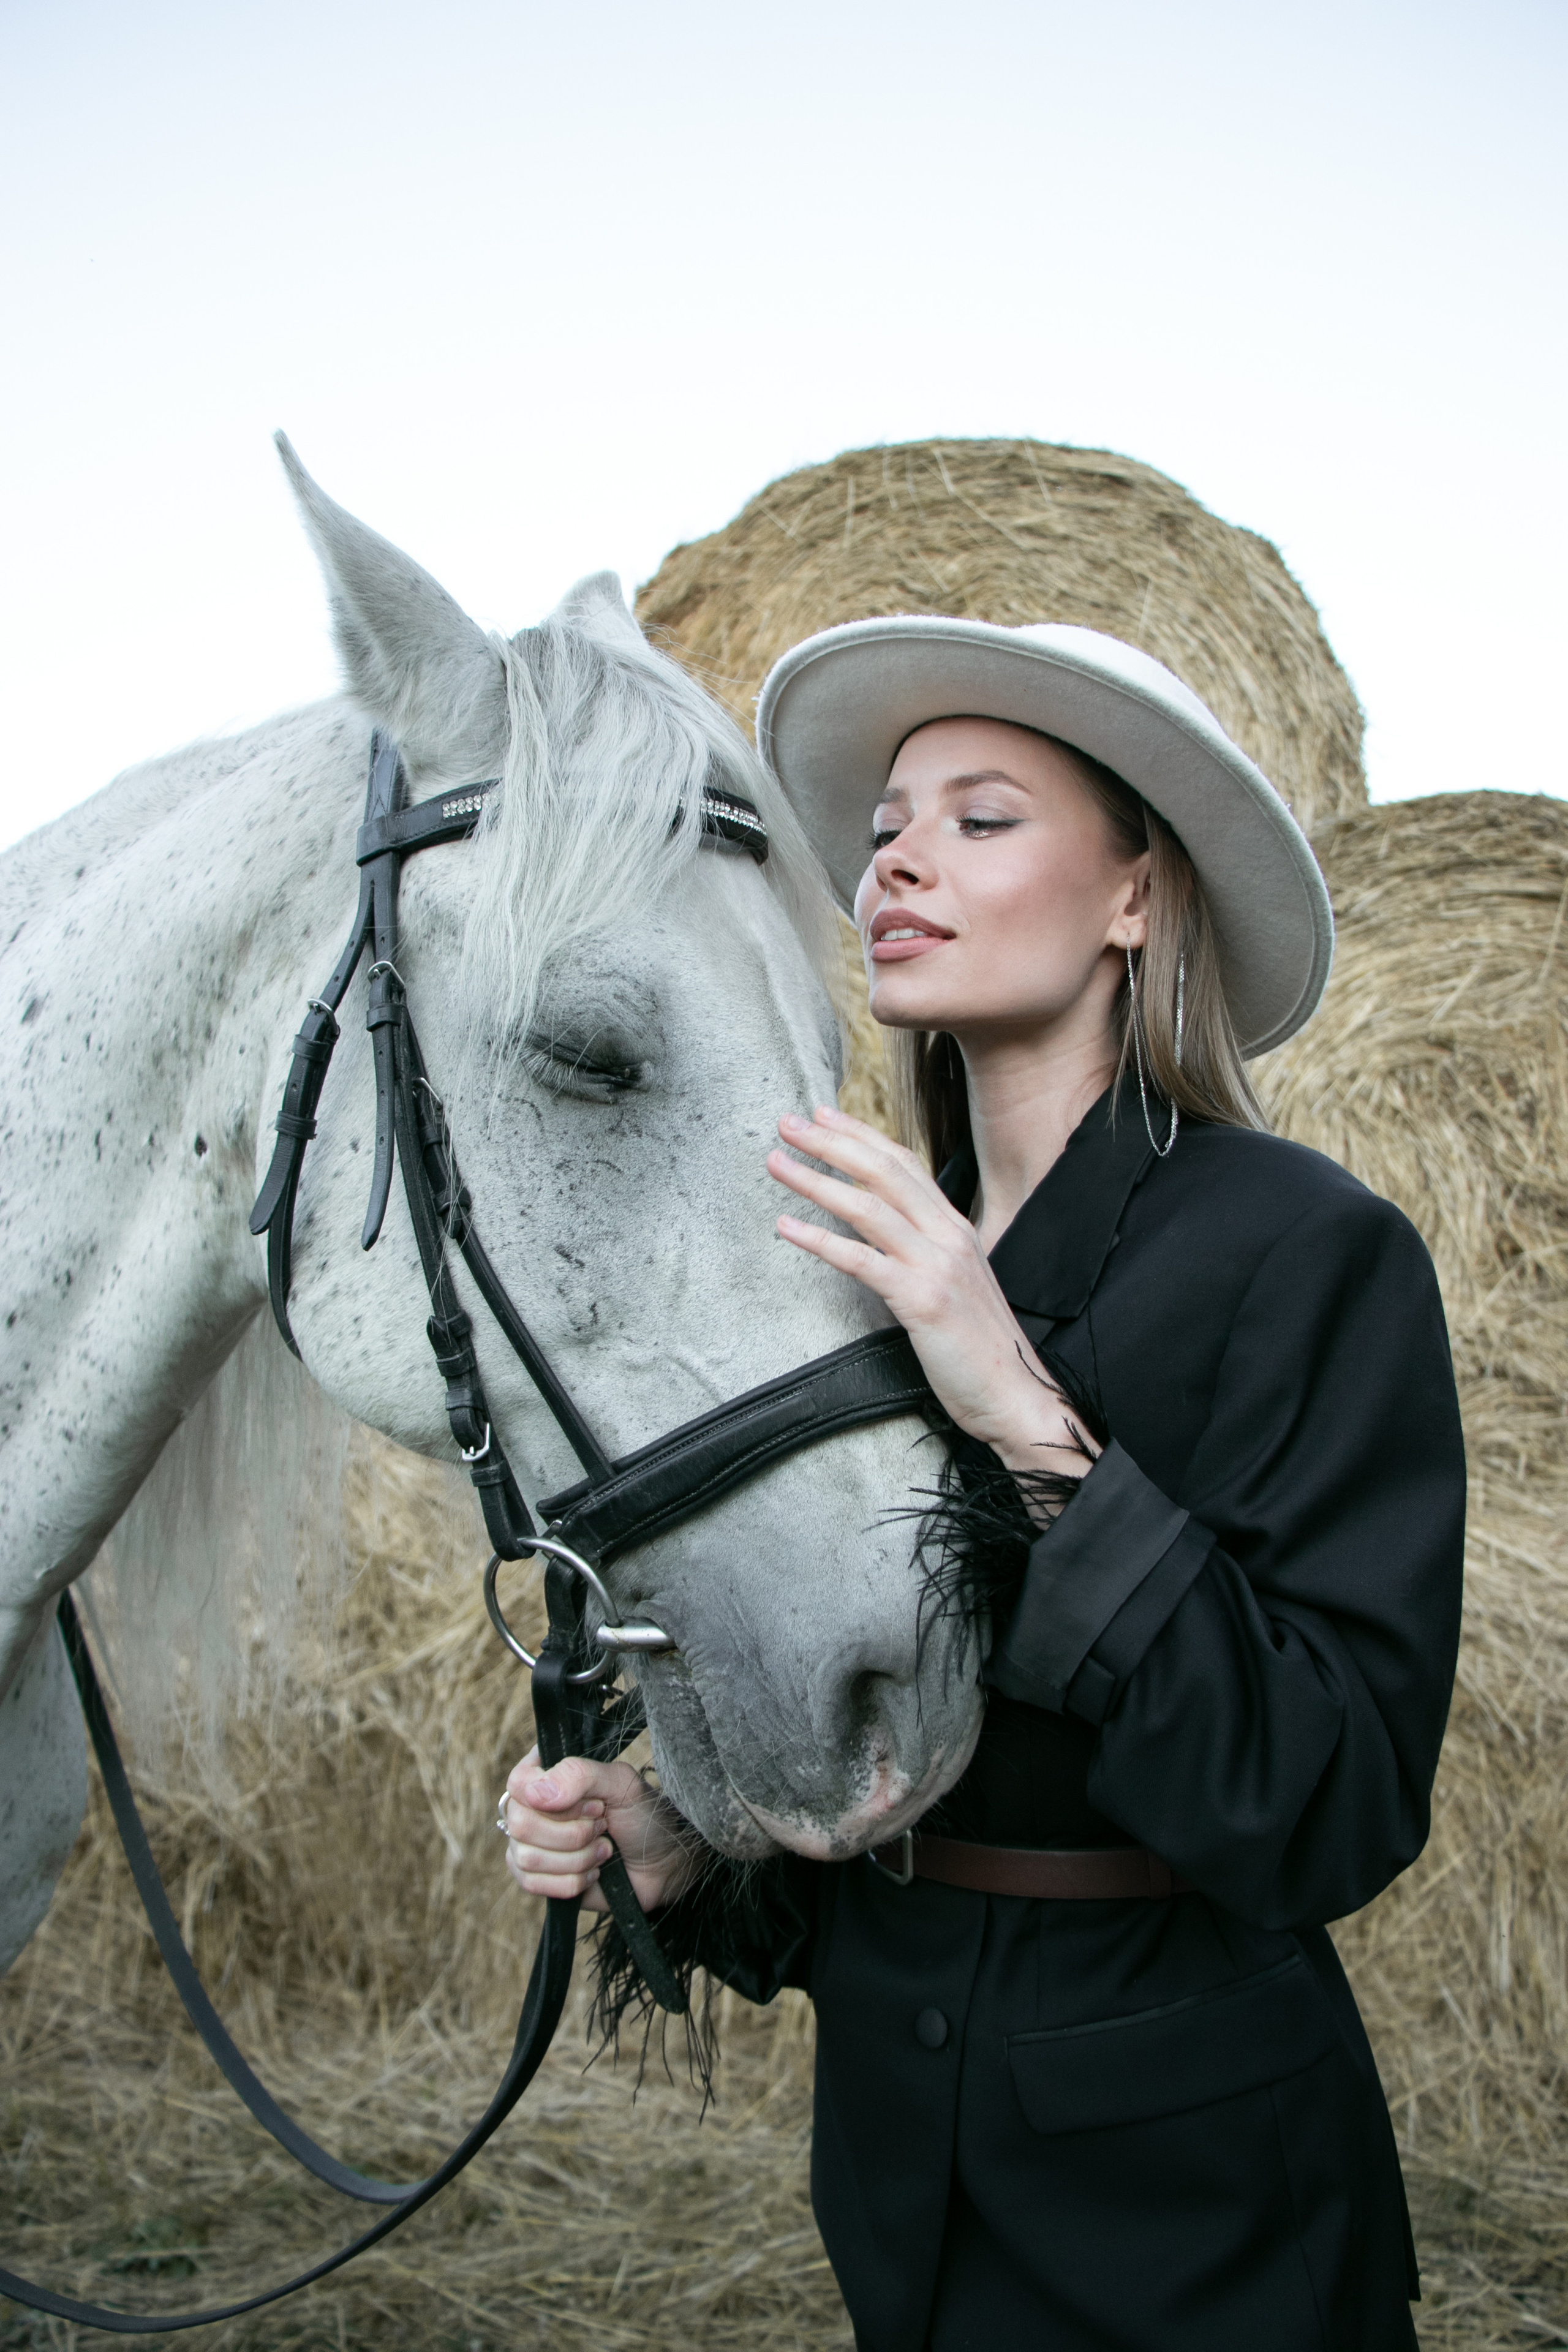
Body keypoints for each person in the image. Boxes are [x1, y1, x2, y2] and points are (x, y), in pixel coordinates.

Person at [499, 617, 1465, 2351]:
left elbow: (1329, 1803)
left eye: (985, 817)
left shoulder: (1314, 1252)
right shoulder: (840, 1286)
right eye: (883, 828)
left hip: (1202, 2217)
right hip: (905, 2187)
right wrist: (690, 1859)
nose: (900, 859)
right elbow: (934, 1792)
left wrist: (1016, 1403)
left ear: (1132, 898)